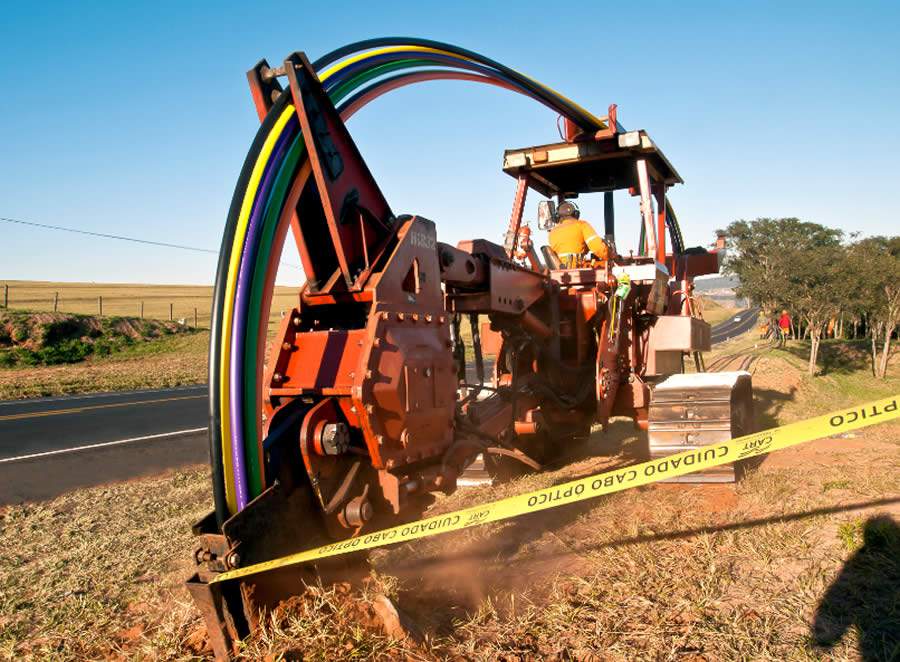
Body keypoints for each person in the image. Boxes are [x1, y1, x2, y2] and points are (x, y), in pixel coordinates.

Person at [549, 201, 609, 268]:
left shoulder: (553, 232)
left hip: (559, 271)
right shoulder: (581, 225)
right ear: (576, 214)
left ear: (557, 216)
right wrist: (611, 256)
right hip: (575, 270)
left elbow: (572, 245)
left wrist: (586, 248)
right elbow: (597, 248)